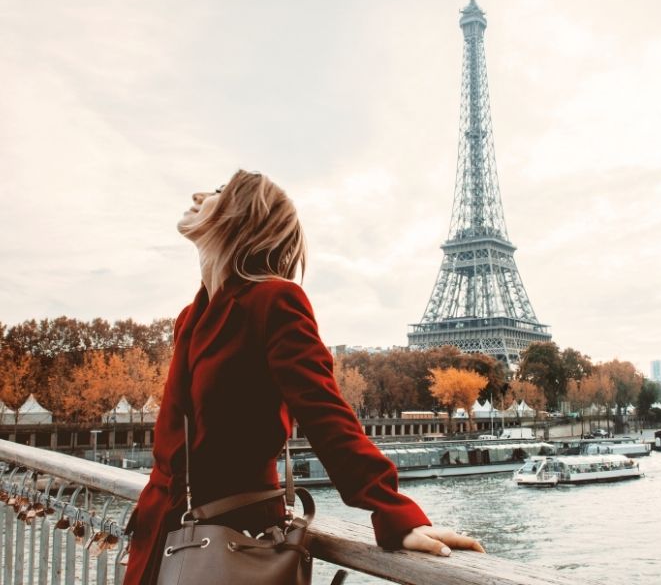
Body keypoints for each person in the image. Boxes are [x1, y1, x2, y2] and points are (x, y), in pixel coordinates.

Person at [123, 170, 483, 584]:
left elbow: (326, 414)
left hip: (233, 548)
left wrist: (394, 512)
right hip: (166, 541)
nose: (198, 193)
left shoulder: (274, 301)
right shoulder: (190, 318)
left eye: (219, 192)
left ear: (241, 216)